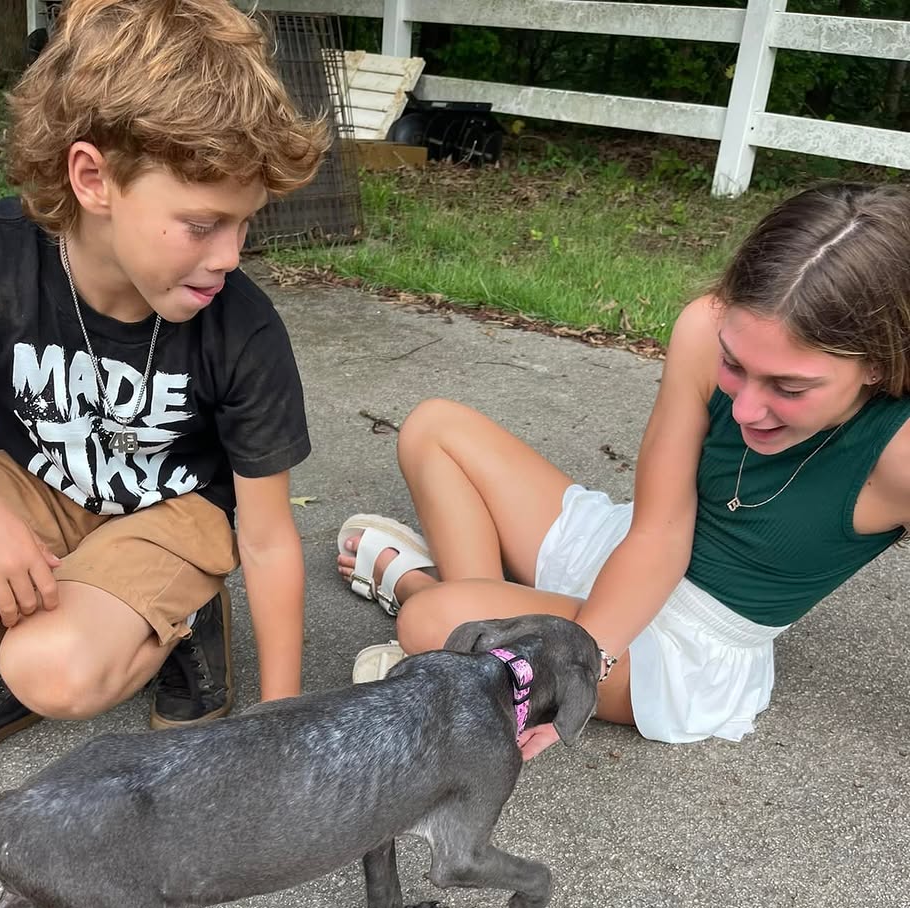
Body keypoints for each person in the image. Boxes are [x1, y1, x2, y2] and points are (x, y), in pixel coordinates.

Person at [0, 0, 328, 785]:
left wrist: (283, 729)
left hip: (173, 518)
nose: (231, 256)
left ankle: (182, 616)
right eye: (202, 224)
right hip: (40, 491)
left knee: (56, 667)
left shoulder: (244, 328)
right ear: (93, 176)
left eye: (245, 224)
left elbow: (267, 539)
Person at [337, 182, 910, 759]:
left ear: (880, 366)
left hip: (685, 643)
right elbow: (657, 533)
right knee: (435, 429)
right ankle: (485, 653)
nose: (743, 410)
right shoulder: (700, 328)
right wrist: (579, 666)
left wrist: (578, 669)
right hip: (631, 550)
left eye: (789, 387)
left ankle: (434, 603)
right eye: (734, 365)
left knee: (429, 619)